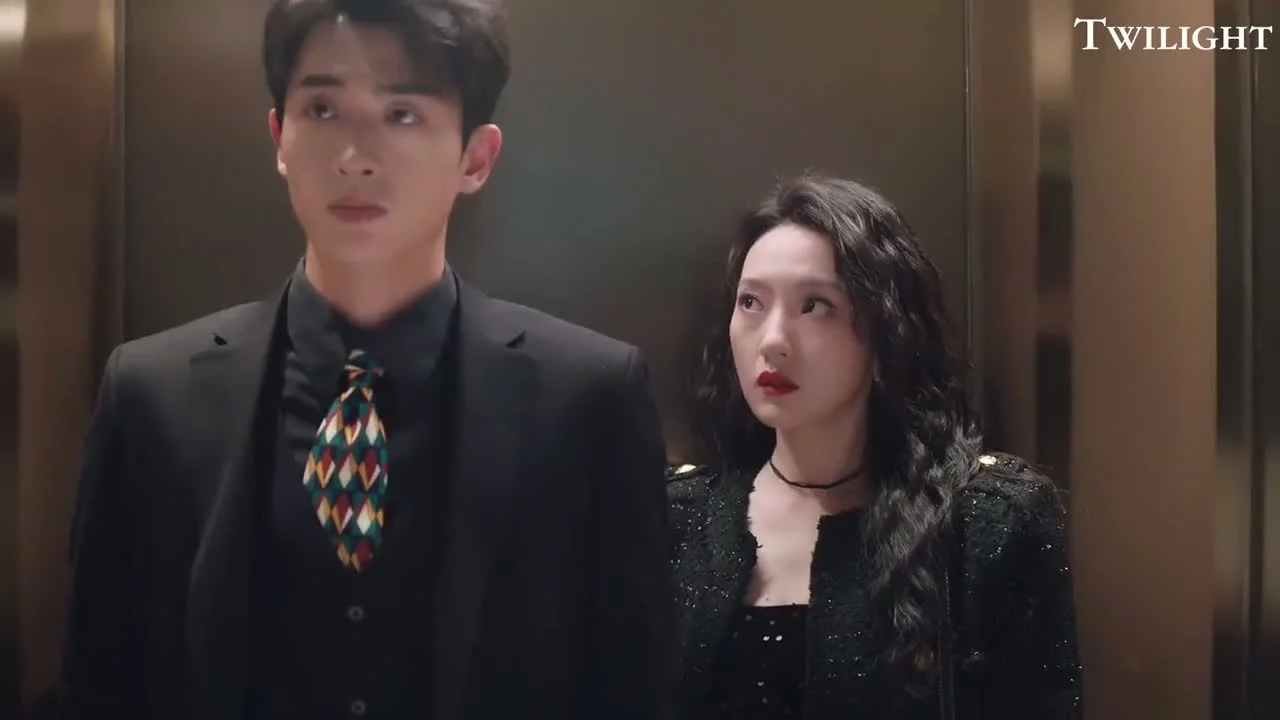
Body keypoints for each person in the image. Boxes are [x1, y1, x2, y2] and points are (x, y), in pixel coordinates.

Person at [57, 1, 676, 718]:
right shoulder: (150, 395)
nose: (354, 156)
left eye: (402, 114)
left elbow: (631, 688)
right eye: (322, 109)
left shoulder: (589, 399)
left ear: (476, 158)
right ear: (279, 137)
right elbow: (101, 682)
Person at [667, 175, 1082, 718]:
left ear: (887, 328)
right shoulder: (679, 516)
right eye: (751, 302)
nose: (772, 340)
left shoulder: (989, 521)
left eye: (815, 305)